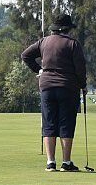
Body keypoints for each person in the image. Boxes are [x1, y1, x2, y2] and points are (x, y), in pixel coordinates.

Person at [21, 13, 87, 172]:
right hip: (68, 88)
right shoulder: (73, 44)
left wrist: (40, 70)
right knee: (66, 124)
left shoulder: (43, 42)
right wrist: (83, 85)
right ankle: (66, 162)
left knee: (49, 123)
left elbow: (25, 55)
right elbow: (80, 69)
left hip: (47, 87)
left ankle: (50, 162)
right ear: (67, 29)